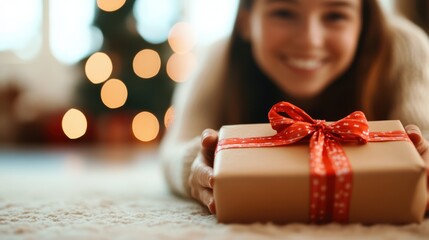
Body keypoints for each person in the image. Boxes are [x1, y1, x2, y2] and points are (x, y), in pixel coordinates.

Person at [159, 0, 429, 215]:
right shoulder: (220, 57)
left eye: (335, 15)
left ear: (363, 23)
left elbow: (423, 141)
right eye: (284, 12)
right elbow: (175, 149)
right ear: (246, 20)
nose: (310, 40)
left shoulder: (405, 47)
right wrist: (197, 166)